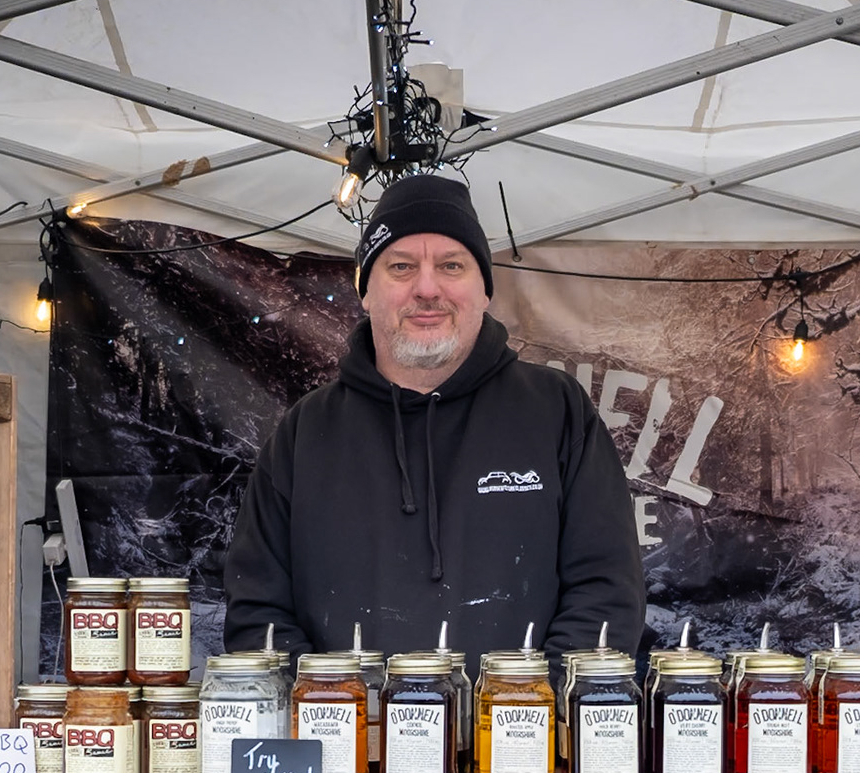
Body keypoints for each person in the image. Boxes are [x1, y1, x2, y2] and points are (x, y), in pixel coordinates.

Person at [223, 172, 645, 666]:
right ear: (366, 291)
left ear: (484, 289)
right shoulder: (304, 433)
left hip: (523, 735)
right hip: (351, 736)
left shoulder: (557, 411)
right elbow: (258, 612)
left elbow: (606, 592)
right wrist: (337, 711)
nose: (427, 289)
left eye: (451, 265)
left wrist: (525, 714)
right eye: (401, 267)